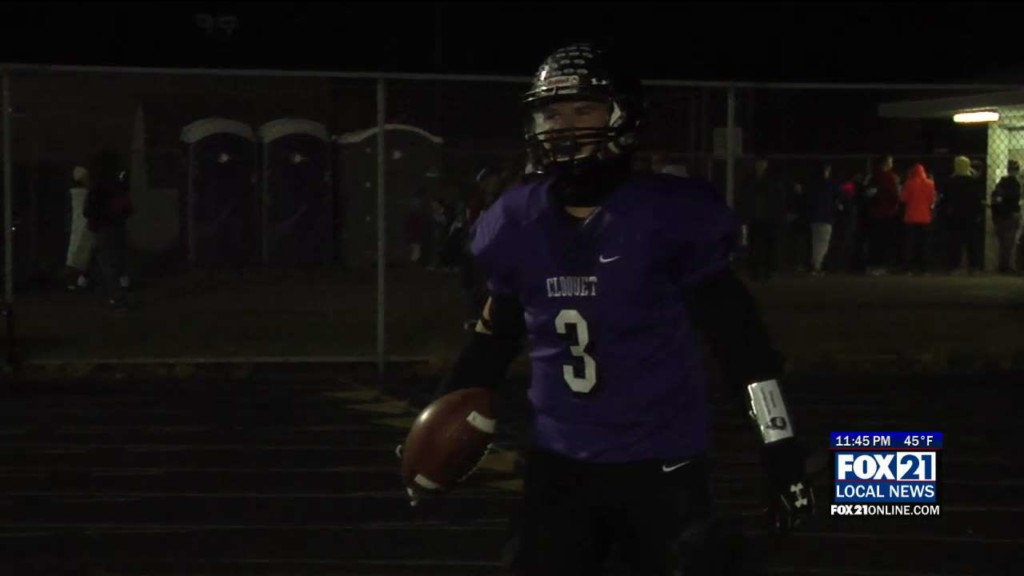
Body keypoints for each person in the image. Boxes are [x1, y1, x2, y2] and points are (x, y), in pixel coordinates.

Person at [400, 44, 815, 574]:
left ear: (623, 116)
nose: (564, 127)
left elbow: (741, 345)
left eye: (583, 110)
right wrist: (435, 428)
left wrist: (781, 448)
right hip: (558, 465)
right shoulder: (515, 221)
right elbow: (491, 341)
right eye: (552, 113)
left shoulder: (669, 215)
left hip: (662, 466)